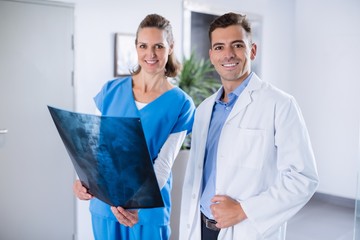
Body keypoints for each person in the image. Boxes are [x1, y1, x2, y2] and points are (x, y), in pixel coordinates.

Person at [179, 12, 319, 240]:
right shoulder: (204, 109)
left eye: (237, 45)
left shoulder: (280, 104)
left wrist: (244, 210)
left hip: (247, 230)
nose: (228, 55)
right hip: (200, 227)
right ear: (211, 55)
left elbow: (303, 178)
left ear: (252, 50)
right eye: (219, 47)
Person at [73, 13, 195, 240]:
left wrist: (135, 204)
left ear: (170, 48)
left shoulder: (181, 104)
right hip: (105, 206)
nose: (150, 54)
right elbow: (91, 147)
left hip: (145, 211)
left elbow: (163, 165)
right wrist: (81, 181)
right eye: (143, 46)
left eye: (158, 46)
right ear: (136, 47)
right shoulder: (111, 91)